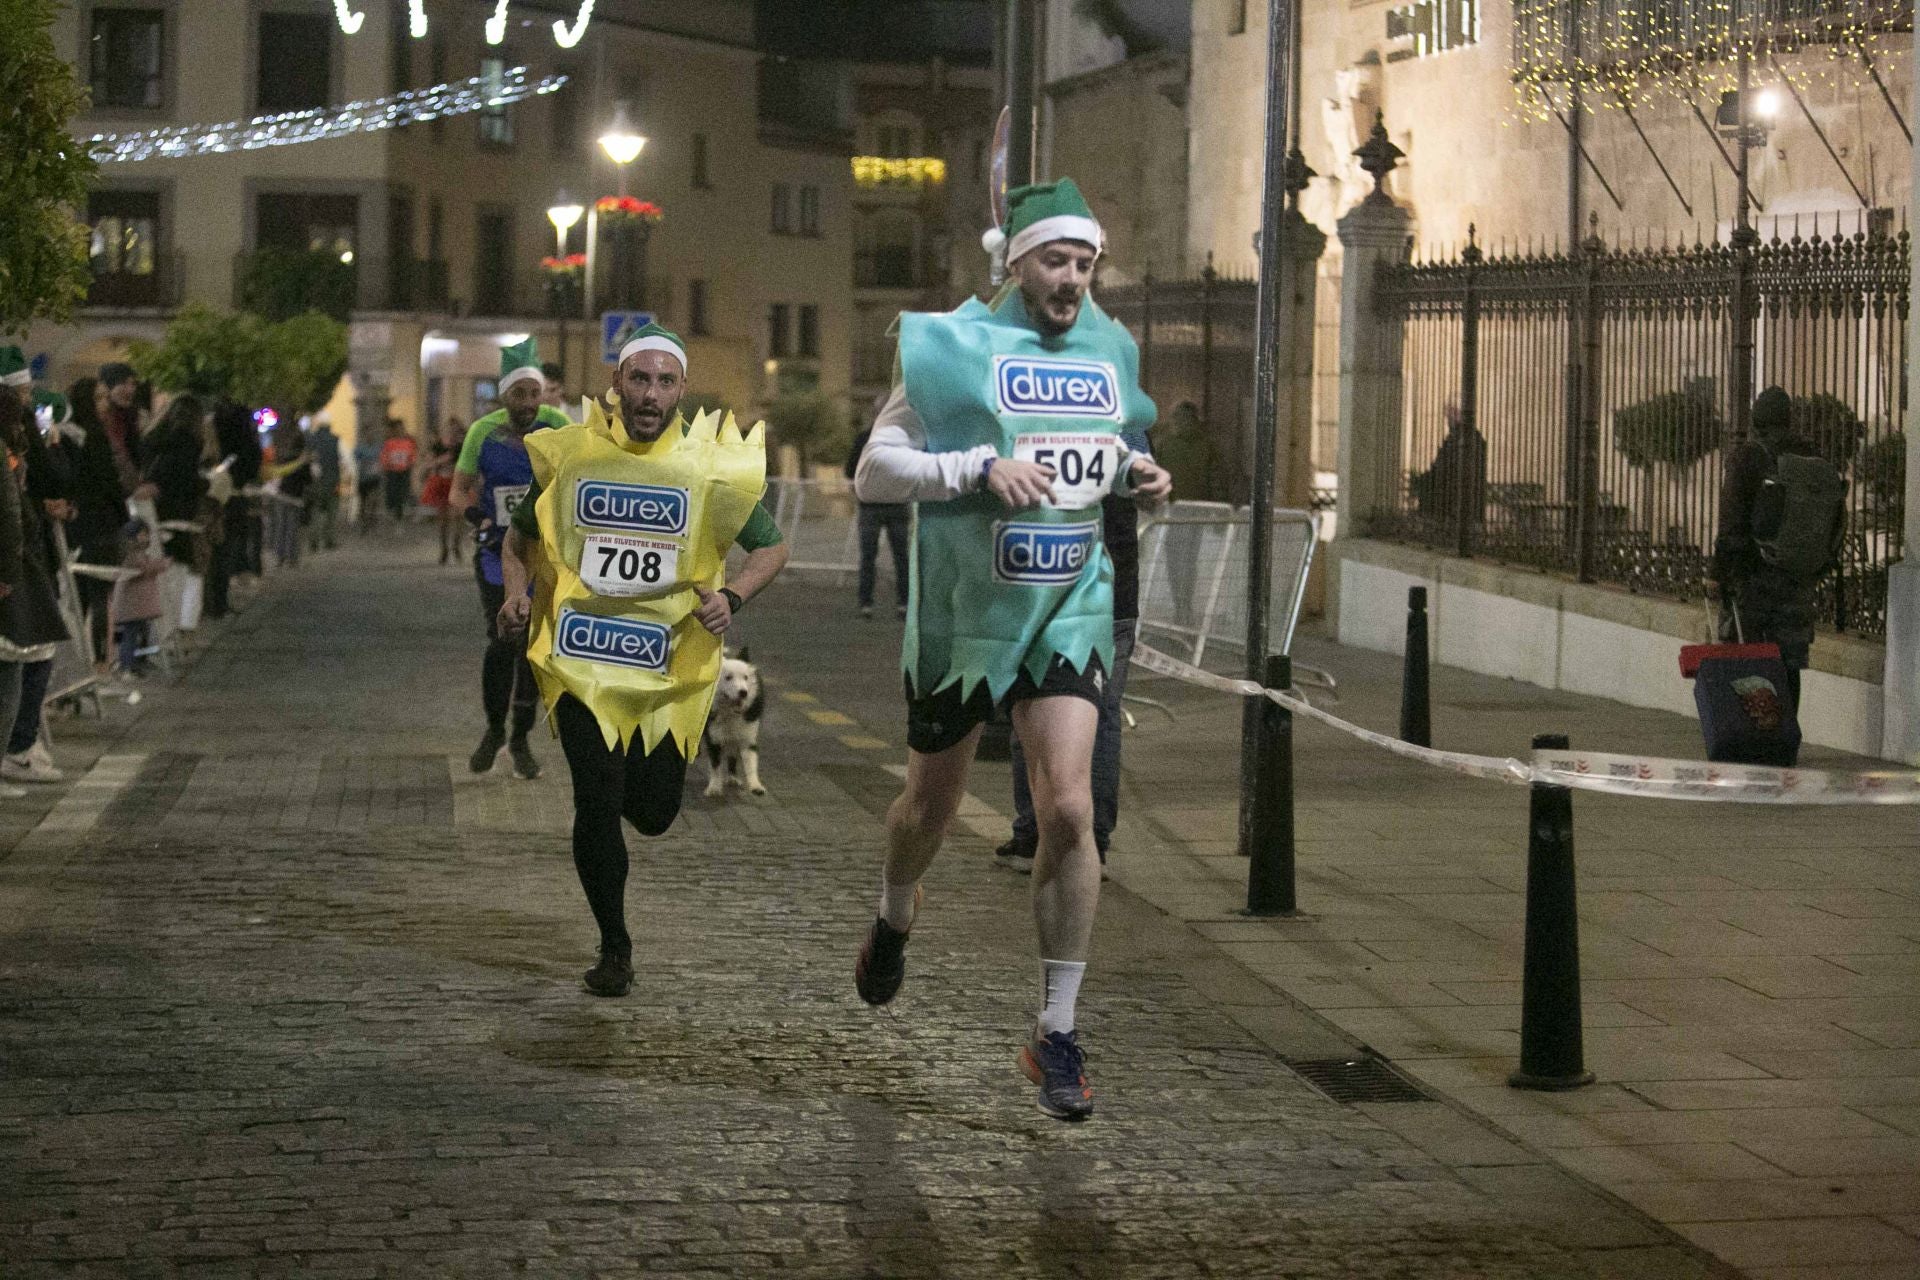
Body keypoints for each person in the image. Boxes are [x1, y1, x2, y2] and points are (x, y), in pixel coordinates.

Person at [850, 179, 1171, 1121]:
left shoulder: (1109, 349)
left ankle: (1057, 1033)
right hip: (965, 615)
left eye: (1085, 262)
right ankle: (894, 917)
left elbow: (1096, 452)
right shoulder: (951, 346)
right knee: (929, 810)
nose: (1072, 279)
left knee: (1069, 808)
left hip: (1068, 604)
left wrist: (1138, 475)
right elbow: (873, 471)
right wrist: (975, 467)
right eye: (1055, 260)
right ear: (1015, 261)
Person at [497, 324, 791, 998]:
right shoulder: (575, 460)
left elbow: (772, 549)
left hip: (665, 671)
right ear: (617, 385)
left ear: (682, 389)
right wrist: (517, 597)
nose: (650, 393)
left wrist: (734, 598)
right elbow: (514, 544)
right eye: (638, 378)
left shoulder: (707, 469)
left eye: (664, 381)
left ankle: (627, 815)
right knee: (596, 798)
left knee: (654, 811)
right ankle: (615, 946)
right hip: (582, 662)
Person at [446, 342, 573, 780]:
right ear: (504, 396)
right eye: (518, 395)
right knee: (503, 638)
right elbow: (459, 490)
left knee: (534, 648)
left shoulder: (558, 425)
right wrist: (477, 518)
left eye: (534, 394)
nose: (528, 404)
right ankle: (494, 729)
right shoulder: (483, 432)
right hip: (497, 555)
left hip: (544, 556)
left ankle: (520, 737)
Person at [1710, 385, 1847, 719]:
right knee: (1788, 665)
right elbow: (1835, 520)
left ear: (1757, 419)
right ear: (1789, 419)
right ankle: (1786, 738)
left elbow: (1730, 525)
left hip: (1752, 580)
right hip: (1798, 580)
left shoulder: (1748, 458)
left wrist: (1717, 574)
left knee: (1747, 660)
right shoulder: (1813, 458)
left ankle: (1750, 737)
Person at [0, 383, 72, 794]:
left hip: (19, 568)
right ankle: (17, 747)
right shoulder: (8, 452)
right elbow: (11, 515)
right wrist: (9, 574)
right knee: (18, 661)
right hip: (15, 575)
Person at [845, 416, 910, 620]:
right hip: (897, 504)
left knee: (868, 557)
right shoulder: (903, 439)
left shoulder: (864, 439)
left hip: (870, 505)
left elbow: (849, 469)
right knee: (901, 558)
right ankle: (904, 603)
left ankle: (866, 604)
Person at [206, 400, 263, 618]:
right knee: (224, 550)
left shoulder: (215, 431)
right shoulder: (245, 438)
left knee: (214, 551)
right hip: (235, 498)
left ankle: (213, 602)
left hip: (214, 496)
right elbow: (252, 463)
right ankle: (219, 601)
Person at [1411, 400, 1486, 547]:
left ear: (1460, 414)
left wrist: (1423, 480)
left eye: (1451, 414)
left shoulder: (1461, 438)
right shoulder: (1467, 437)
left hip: (1454, 495)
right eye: (1447, 415)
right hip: (1462, 494)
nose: (1448, 420)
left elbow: (1443, 467)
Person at [113, 519, 168, 675]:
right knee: (130, 636)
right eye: (143, 534)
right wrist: (161, 565)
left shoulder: (138, 552)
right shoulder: (131, 554)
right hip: (133, 606)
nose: (146, 537)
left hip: (139, 606)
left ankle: (139, 662)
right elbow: (141, 568)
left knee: (142, 632)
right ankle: (127, 666)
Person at [265, 421, 310, 568]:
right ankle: (291, 558)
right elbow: (307, 480)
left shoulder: (285, 457)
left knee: (281, 527)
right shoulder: (304, 461)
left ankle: (280, 557)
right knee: (292, 527)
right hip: (295, 496)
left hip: (282, 494)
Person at [96, 361, 145, 495]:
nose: (130, 390)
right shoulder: (98, 422)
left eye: (133, 384)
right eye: (123, 383)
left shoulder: (131, 417)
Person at [423, 417, 462, 565]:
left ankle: (456, 545)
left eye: (454, 429)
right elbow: (429, 461)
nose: (451, 432)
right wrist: (437, 462)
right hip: (441, 481)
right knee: (443, 518)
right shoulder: (438, 445)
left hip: (455, 481)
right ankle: (444, 548)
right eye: (449, 428)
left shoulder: (461, 446)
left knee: (458, 516)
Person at [307, 414, 342, 552]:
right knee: (331, 512)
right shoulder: (335, 440)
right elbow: (340, 461)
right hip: (332, 481)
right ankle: (329, 540)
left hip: (316, 482)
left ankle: (313, 541)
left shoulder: (311, 440)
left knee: (315, 511)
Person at [379, 420, 418, 524]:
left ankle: (399, 515)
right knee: (392, 492)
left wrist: (411, 464)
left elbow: (412, 456)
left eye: (401, 428)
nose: (400, 431)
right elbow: (384, 455)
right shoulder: (389, 443)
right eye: (398, 429)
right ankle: (392, 510)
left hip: (404, 471)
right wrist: (385, 465)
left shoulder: (408, 443)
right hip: (392, 471)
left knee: (402, 492)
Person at [353, 432, 383, 530]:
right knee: (363, 499)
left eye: (371, 435)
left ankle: (372, 516)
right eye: (368, 435)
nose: (370, 437)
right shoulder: (360, 448)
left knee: (373, 497)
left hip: (374, 477)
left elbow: (381, 460)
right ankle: (363, 517)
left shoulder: (377, 448)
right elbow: (355, 459)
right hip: (363, 478)